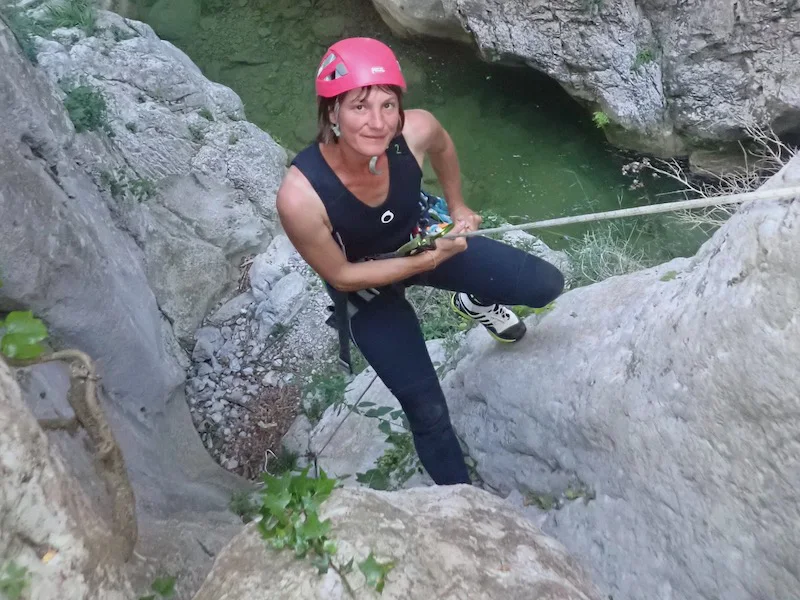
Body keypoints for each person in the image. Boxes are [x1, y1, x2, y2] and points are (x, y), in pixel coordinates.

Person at [276, 37, 564, 485]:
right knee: (427, 411)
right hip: (370, 286)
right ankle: (465, 509)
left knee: (545, 285)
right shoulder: (300, 196)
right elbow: (341, 274)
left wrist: (459, 205)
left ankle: (477, 303)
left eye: (388, 105)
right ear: (331, 111)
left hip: (424, 237)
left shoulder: (416, 131)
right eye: (359, 107)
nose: (377, 123)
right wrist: (424, 264)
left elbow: (444, 146)